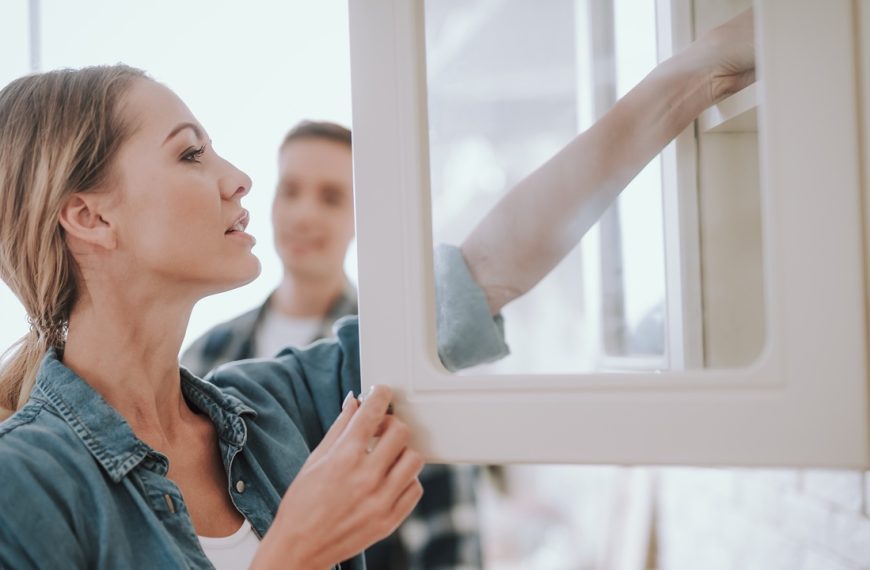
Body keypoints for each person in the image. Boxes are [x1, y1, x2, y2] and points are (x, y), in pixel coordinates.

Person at [0, 10, 754, 569]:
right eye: (191, 154)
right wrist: (293, 550)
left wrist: (693, 76)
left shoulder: (278, 413)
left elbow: (485, 270)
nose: (238, 180)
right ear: (89, 216)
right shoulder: (23, 488)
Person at [181, 120, 484, 569]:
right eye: (291, 190)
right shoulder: (204, 355)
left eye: (331, 197)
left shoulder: (390, 354)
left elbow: (449, 540)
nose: (305, 214)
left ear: (361, 218)